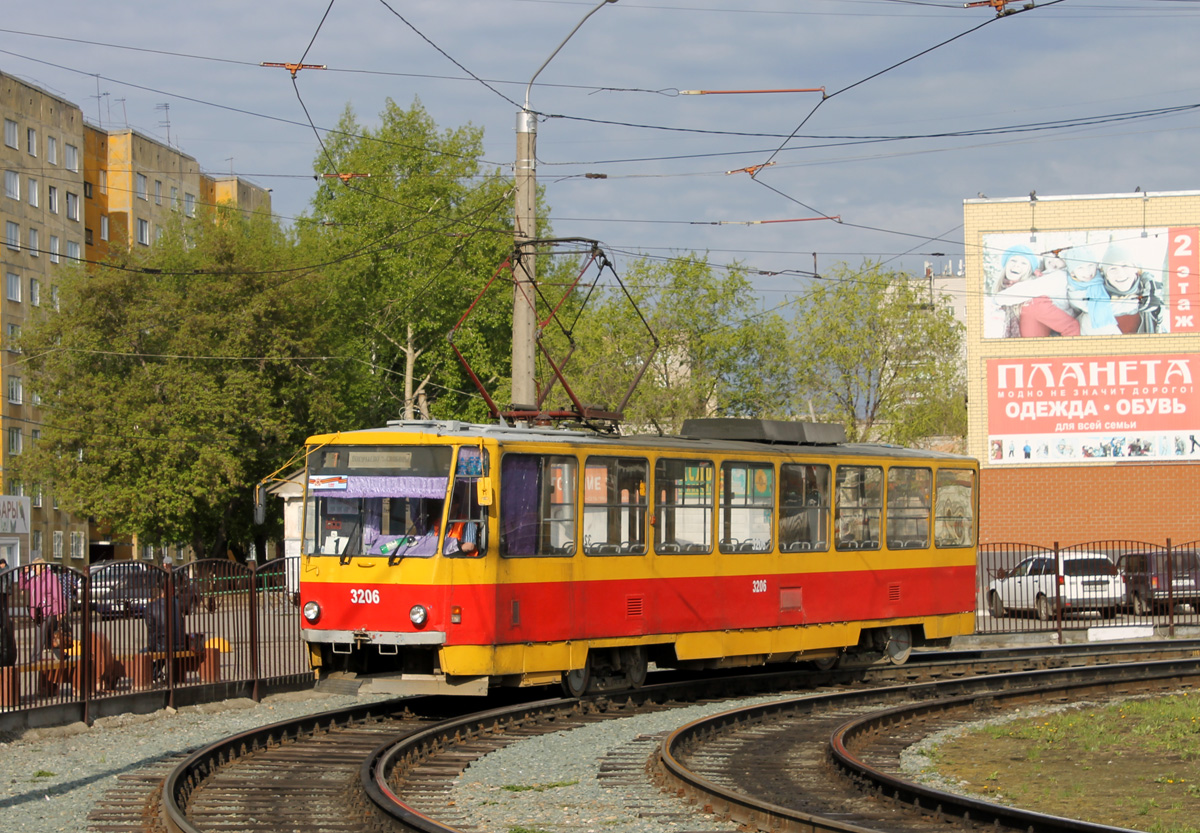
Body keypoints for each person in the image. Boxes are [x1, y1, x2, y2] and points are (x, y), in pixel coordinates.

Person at [18, 557, 69, 660]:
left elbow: (58, 595)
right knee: (50, 635)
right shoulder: (35, 579)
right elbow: (23, 586)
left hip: (50, 611)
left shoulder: (51, 578)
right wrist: (23, 574)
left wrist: (61, 610)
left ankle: (34, 658)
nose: (33, 569)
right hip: (39, 613)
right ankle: (62, 656)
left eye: (34, 566)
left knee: (40, 633)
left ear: (42, 567)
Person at [143, 579, 185, 682]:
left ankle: (152, 674)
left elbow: (150, 629)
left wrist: (150, 646)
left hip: (162, 645)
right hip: (180, 644)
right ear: (162, 594)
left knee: (143, 652)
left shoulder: (150, 606)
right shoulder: (175, 602)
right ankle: (157, 673)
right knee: (163, 649)